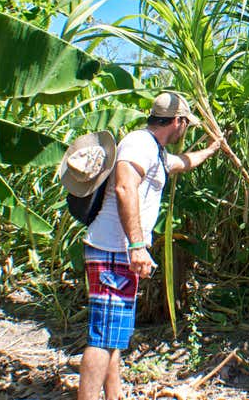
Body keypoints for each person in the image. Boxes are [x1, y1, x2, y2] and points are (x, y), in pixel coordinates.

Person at [64, 92, 221, 400]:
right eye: (186, 125)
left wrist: (212, 148)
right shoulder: (139, 144)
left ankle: (114, 395)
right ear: (178, 122)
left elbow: (182, 163)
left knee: (112, 334)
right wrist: (137, 245)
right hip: (113, 250)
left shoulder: (155, 151)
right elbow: (125, 187)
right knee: (102, 337)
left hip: (116, 252)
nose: (185, 131)